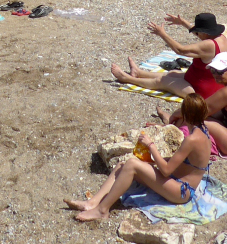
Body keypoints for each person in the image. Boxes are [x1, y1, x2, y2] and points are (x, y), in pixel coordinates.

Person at [65, 93, 214, 222]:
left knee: (131, 165)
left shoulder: (191, 139)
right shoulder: (203, 131)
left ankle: (103, 210)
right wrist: (153, 159)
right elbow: (186, 163)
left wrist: (151, 145)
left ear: (186, 114)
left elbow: (166, 171)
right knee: (123, 165)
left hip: (181, 191)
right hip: (179, 183)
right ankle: (92, 203)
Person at [160, 53, 227, 157]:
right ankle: (173, 126)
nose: (215, 75)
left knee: (195, 119)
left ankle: (170, 128)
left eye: (220, 71)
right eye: (213, 71)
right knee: (206, 115)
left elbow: (196, 110)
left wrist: (174, 115)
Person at [110, 13, 227, 98]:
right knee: (172, 73)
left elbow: (180, 50)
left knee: (162, 81)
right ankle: (139, 73)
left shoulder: (208, 45)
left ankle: (127, 79)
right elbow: (201, 34)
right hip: (210, 83)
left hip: (201, 91)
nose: (196, 33)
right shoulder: (221, 39)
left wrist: (162, 34)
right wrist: (183, 23)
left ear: (204, 32)